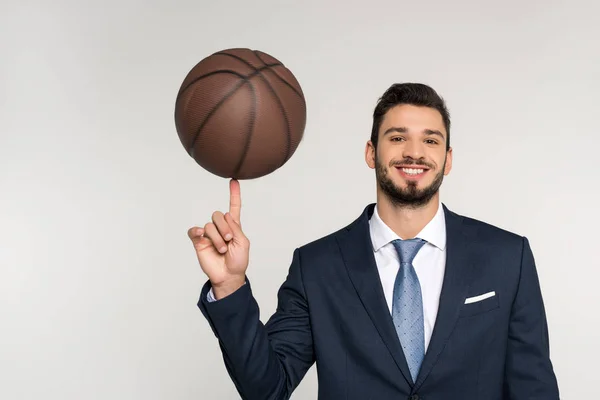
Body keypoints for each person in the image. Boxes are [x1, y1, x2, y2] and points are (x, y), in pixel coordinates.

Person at [188, 83, 560, 399]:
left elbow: (535, 391)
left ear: (447, 160)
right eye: (397, 138)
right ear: (371, 152)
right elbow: (266, 388)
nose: (414, 152)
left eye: (430, 140)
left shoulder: (508, 258)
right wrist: (229, 285)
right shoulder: (317, 266)